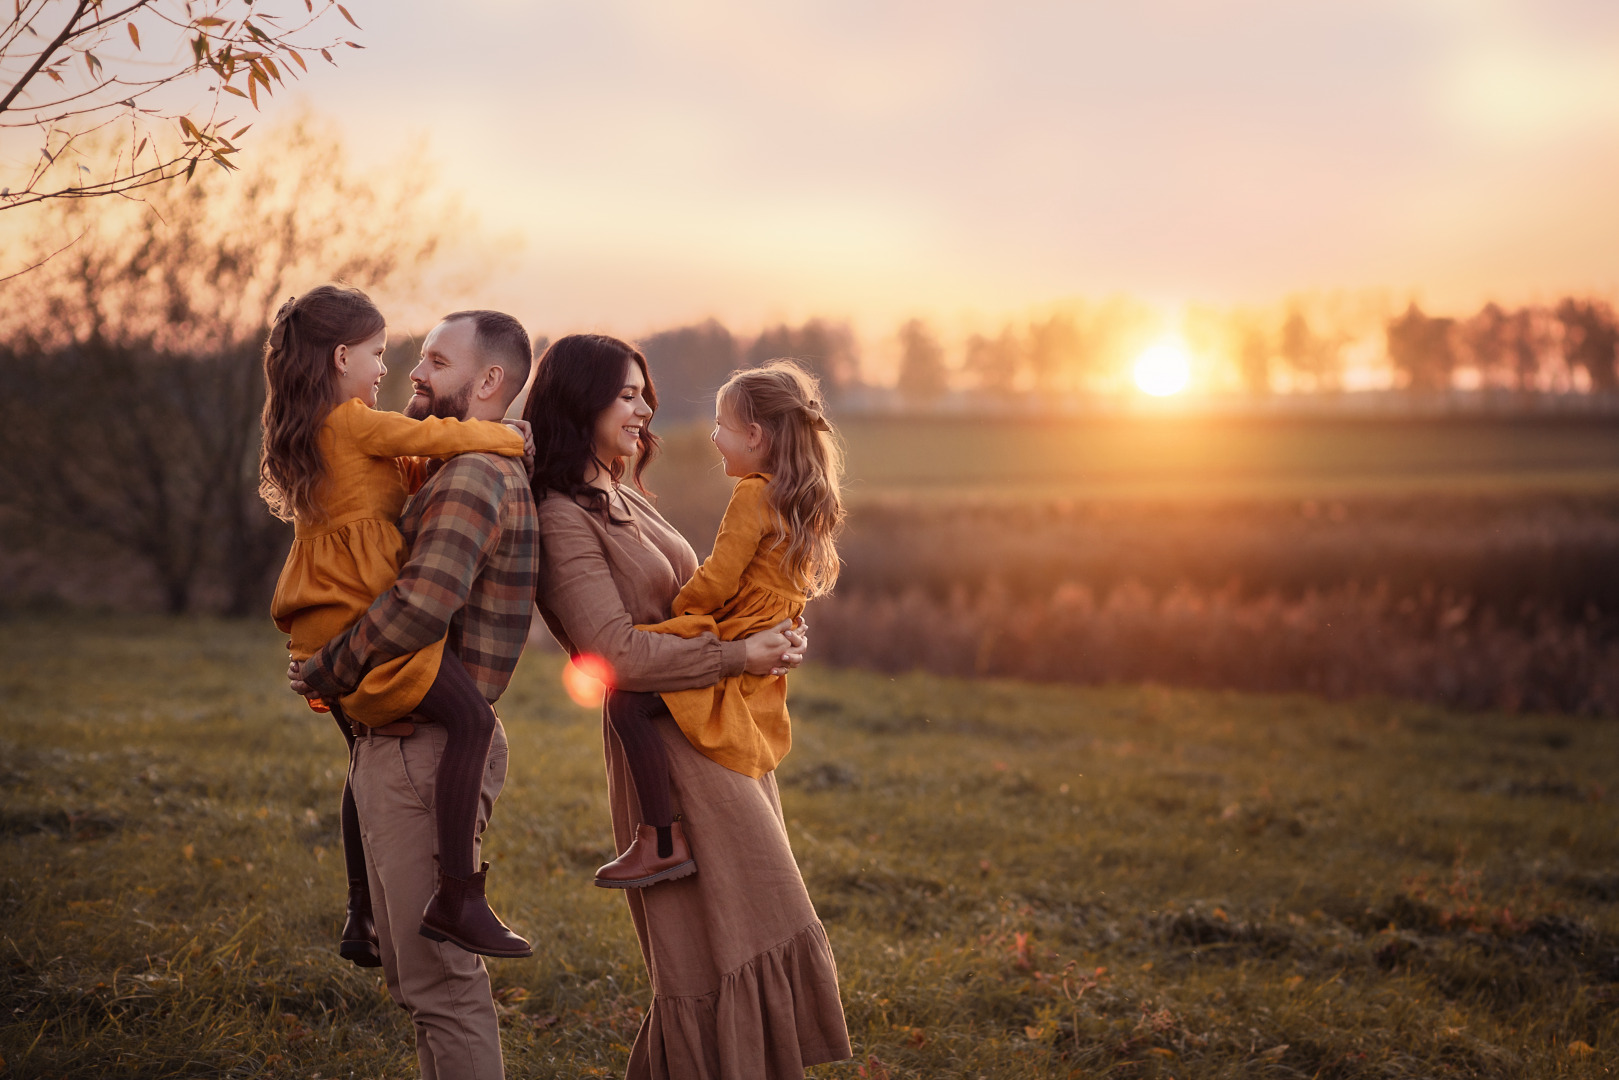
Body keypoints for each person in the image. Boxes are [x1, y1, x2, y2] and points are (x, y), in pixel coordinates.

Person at [526, 334, 852, 1079]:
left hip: (718, 730)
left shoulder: (623, 494)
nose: (646, 408)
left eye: (647, 393)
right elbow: (612, 652)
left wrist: (773, 634)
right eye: (627, 394)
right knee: (713, 956)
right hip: (670, 760)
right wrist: (740, 652)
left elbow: (714, 591)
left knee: (757, 928)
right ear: (581, 402)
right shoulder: (560, 514)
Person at [289, 309, 540, 1080]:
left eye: (435, 360)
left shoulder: (467, 471)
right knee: (419, 987)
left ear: (488, 380)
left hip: (420, 747)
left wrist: (329, 666)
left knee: (441, 989)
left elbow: (421, 604)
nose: (414, 373)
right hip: (397, 737)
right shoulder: (439, 463)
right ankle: (360, 911)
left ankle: (419, 904)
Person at [595, 359, 845, 889]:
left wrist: (681, 611)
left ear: (754, 436)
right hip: (768, 629)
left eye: (721, 427)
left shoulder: (753, 492)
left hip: (735, 630)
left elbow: (721, 573)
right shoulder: (800, 495)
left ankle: (660, 838)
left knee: (625, 697)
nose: (713, 437)